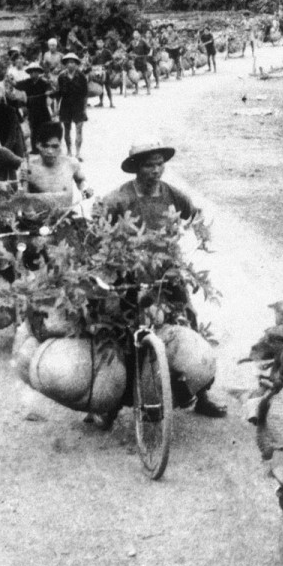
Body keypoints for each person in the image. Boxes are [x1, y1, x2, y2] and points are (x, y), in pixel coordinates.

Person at [93, 138, 226, 418]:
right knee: (119, 332)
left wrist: (201, 235)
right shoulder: (120, 198)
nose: (156, 170)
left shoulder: (171, 194)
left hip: (166, 273)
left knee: (189, 322)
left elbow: (194, 215)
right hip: (129, 275)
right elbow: (96, 229)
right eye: (148, 165)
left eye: (159, 164)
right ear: (136, 168)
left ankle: (202, 394)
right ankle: (110, 404)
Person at [24, 121, 92, 210]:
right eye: (45, 146)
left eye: (54, 146)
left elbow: (81, 181)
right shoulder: (29, 169)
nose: (50, 151)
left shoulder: (71, 164)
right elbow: (22, 199)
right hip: (38, 220)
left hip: (66, 219)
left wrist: (85, 190)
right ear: (38, 145)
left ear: (60, 145)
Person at [53, 53, 89, 161]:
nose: (70, 65)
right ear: (65, 64)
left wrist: (84, 108)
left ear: (76, 64)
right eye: (68, 62)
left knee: (79, 129)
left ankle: (77, 153)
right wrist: (56, 108)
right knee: (67, 129)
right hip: (66, 105)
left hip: (78, 105)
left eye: (73, 62)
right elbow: (58, 94)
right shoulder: (61, 76)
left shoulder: (81, 76)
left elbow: (85, 94)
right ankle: (69, 151)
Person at [14, 62, 53, 154]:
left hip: (43, 109)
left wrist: (48, 92)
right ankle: (34, 149)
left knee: (45, 129)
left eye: (35, 72)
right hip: (32, 109)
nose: (32, 74)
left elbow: (50, 89)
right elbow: (16, 85)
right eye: (31, 72)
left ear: (39, 73)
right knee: (34, 129)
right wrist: (9, 80)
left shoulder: (44, 82)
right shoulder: (26, 82)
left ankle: (45, 147)